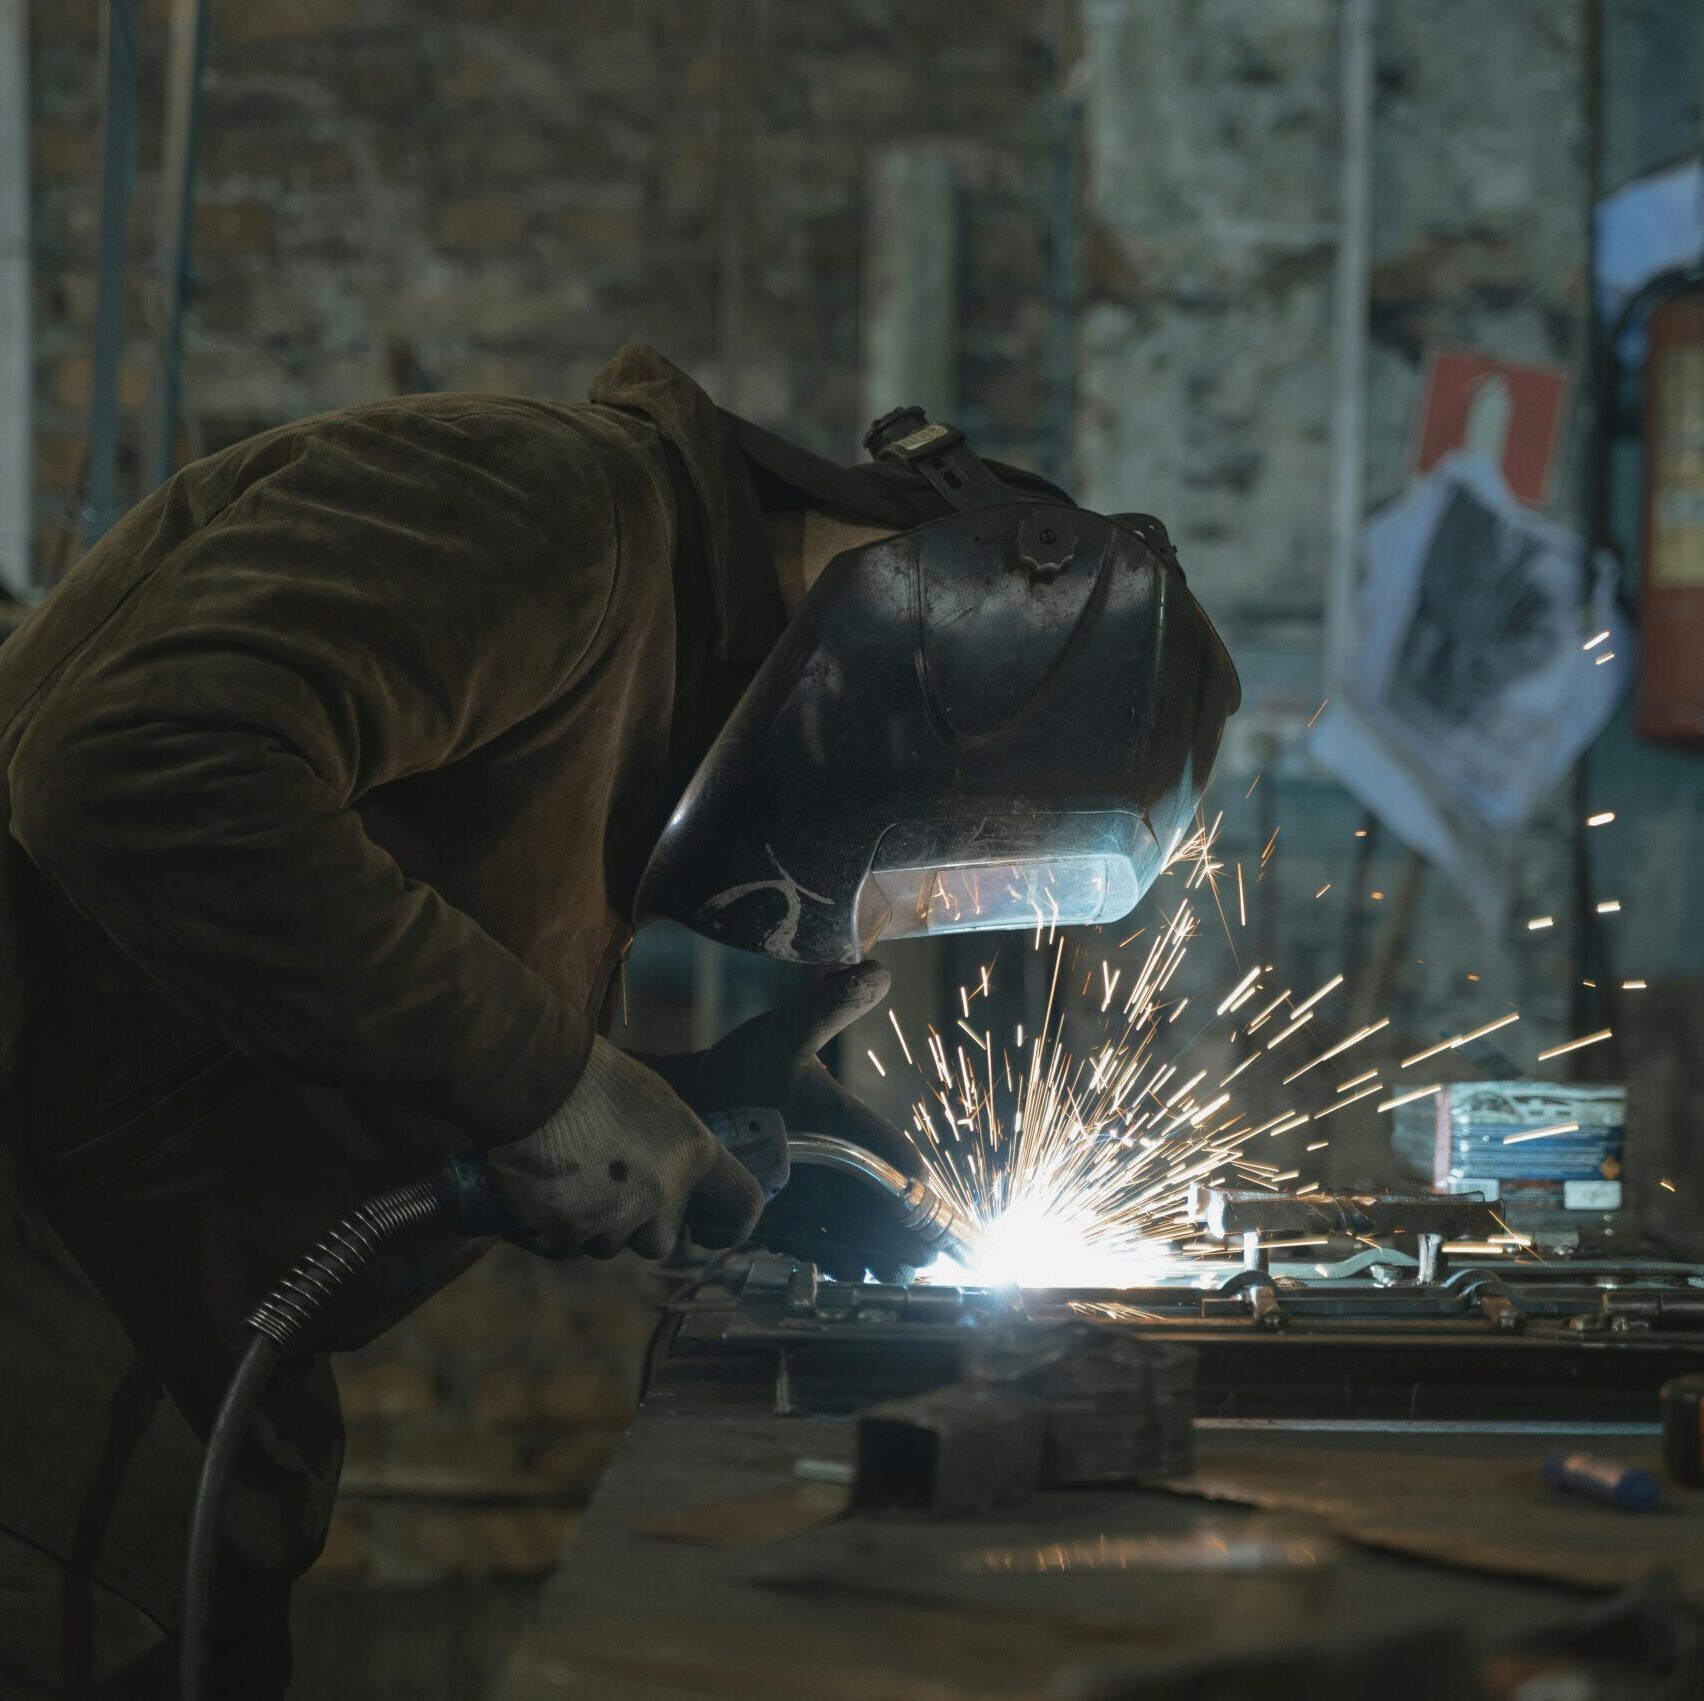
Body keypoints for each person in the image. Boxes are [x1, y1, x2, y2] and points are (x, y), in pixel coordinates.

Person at [0, 343, 1235, 1696]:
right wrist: (543, 1081)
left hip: (166, 1368)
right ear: (954, 630)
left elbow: (307, 991)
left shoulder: (655, 693)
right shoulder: (547, 512)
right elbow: (128, 771)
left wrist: (676, 1100)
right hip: (41, 1321)